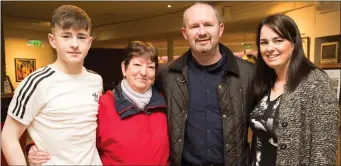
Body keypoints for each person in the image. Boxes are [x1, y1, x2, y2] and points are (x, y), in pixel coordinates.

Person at [27, 41, 170, 165]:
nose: (144, 72)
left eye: (150, 67)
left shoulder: (167, 104)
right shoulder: (103, 105)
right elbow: (72, 134)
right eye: (137, 64)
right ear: (123, 68)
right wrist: (36, 146)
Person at [1, 5, 103, 165]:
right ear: (52, 40)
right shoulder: (36, 82)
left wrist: (31, 143)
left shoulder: (96, 80)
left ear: (89, 43)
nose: (75, 44)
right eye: (66, 36)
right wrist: (30, 147)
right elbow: (8, 136)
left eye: (81, 37)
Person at [156, 2, 255, 165]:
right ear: (185, 33)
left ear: (220, 29)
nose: (202, 32)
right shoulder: (168, 76)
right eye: (194, 26)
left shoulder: (249, 74)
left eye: (208, 25)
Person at [249, 14, 339, 166]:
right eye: (264, 42)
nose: (270, 48)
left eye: (278, 40)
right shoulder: (264, 81)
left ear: (294, 43)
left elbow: (323, 151)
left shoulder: (316, 83)